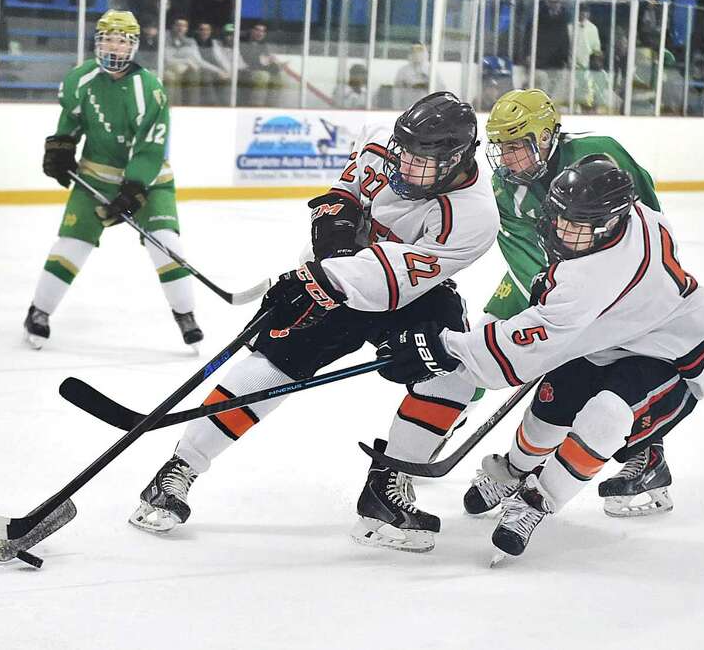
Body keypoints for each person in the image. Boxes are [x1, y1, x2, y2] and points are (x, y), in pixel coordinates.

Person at [129, 93, 500, 556]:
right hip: (335, 272)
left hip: (407, 293)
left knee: (452, 368)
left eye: (422, 162)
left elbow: (392, 280)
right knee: (273, 366)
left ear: (457, 160)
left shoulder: (474, 214)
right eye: (403, 154)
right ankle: (180, 468)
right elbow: (343, 195)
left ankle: (388, 488)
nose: (404, 168)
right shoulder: (387, 142)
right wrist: (334, 233)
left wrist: (321, 279)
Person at [377, 155, 704, 559]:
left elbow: (512, 358)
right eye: (561, 218)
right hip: (603, 335)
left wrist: (444, 347)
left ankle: (538, 500)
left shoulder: (590, 279)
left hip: (668, 351)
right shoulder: (633, 216)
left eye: (577, 226)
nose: (563, 231)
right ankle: (514, 470)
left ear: (610, 224)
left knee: (605, 417)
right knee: (548, 413)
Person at [475, 89, 678, 519]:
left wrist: (615, 295)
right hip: (556, 276)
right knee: (489, 332)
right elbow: (525, 254)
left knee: (626, 360)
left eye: (517, 144)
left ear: (546, 136)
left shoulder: (598, 154)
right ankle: (444, 424)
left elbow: (646, 218)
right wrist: (557, 315)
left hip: (626, 275)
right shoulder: (504, 186)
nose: (508, 159)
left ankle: (647, 453)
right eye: (502, 147)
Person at [26, 10, 203, 350]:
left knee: (166, 244)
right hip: (95, 177)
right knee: (72, 244)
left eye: (121, 40)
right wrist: (61, 148)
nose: (113, 46)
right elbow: (71, 119)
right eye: (107, 38)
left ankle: (186, 314)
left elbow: (150, 148)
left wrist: (134, 187)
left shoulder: (149, 90)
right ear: (97, 41)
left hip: (150, 183)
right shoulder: (80, 79)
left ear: (133, 46)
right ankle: (39, 312)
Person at [239, 22, 282, 107]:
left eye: (262, 31)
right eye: (257, 30)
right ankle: (256, 106)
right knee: (262, 76)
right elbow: (249, 61)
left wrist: (275, 63)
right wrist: (264, 61)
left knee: (277, 75)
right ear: (252, 31)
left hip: (257, 69)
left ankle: (271, 105)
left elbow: (265, 59)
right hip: (244, 71)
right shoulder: (243, 43)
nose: (260, 33)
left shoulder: (263, 45)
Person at [193, 22, 232, 105]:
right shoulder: (192, 42)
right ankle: (212, 104)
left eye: (207, 30)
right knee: (207, 76)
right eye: (202, 29)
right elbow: (200, 62)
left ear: (210, 31)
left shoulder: (215, 43)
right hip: (202, 70)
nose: (204, 32)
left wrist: (228, 72)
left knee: (228, 80)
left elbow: (221, 59)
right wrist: (219, 71)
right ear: (197, 31)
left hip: (216, 71)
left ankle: (226, 105)